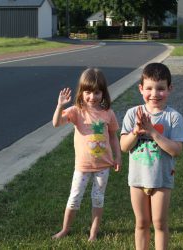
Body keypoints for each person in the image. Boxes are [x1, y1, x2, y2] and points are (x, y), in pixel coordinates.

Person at [120, 63, 183, 250]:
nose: (154, 94)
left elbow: (176, 150)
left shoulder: (173, 117)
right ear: (141, 89)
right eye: (149, 88)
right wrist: (135, 131)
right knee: (141, 223)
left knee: (159, 223)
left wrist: (152, 132)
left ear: (169, 89)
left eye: (160, 89)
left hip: (161, 179)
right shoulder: (132, 114)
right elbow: (124, 147)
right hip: (137, 179)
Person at [52, 68, 121, 241]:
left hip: (103, 166)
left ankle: (93, 232)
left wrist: (117, 157)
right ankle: (65, 229)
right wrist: (60, 105)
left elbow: (113, 136)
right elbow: (56, 123)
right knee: (74, 197)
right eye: (88, 92)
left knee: (98, 199)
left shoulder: (108, 114)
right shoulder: (76, 111)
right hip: (82, 167)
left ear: (103, 93)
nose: (92, 97)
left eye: (97, 92)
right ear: (81, 92)